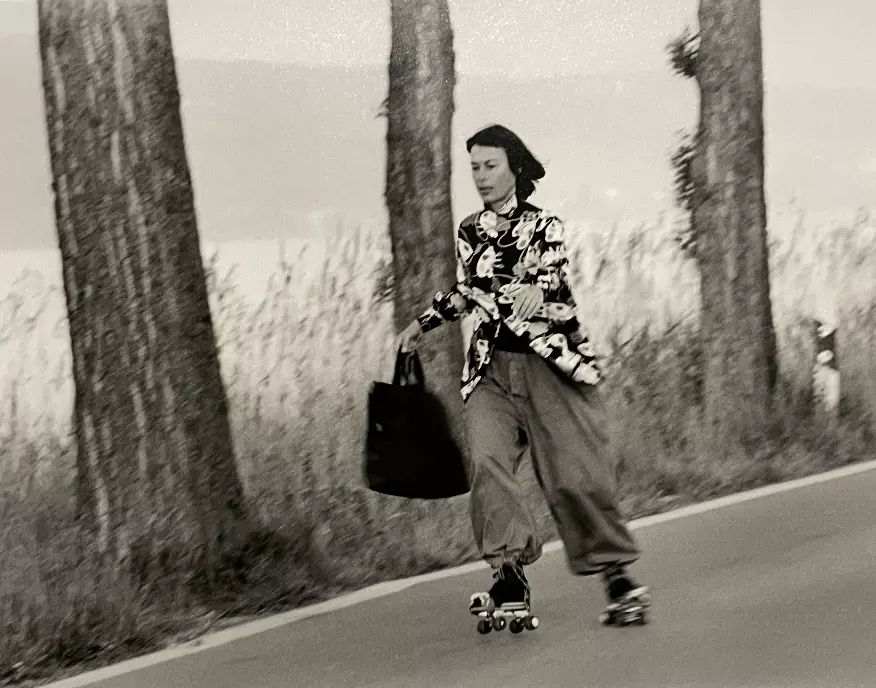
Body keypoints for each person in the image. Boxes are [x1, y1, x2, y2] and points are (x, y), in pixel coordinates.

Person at [397, 123, 650, 622]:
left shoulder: (545, 225)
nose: (481, 176)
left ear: (513, 166)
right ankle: (507, 572)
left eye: (490, 166)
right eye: (474, 168)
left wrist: (539, 290)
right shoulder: (469, 229)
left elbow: (552, 274)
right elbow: (469, 290)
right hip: (489, 371)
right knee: (488, 464)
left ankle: (617, 577)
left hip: (545, 367)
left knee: (573, 478)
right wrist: (421, 324)